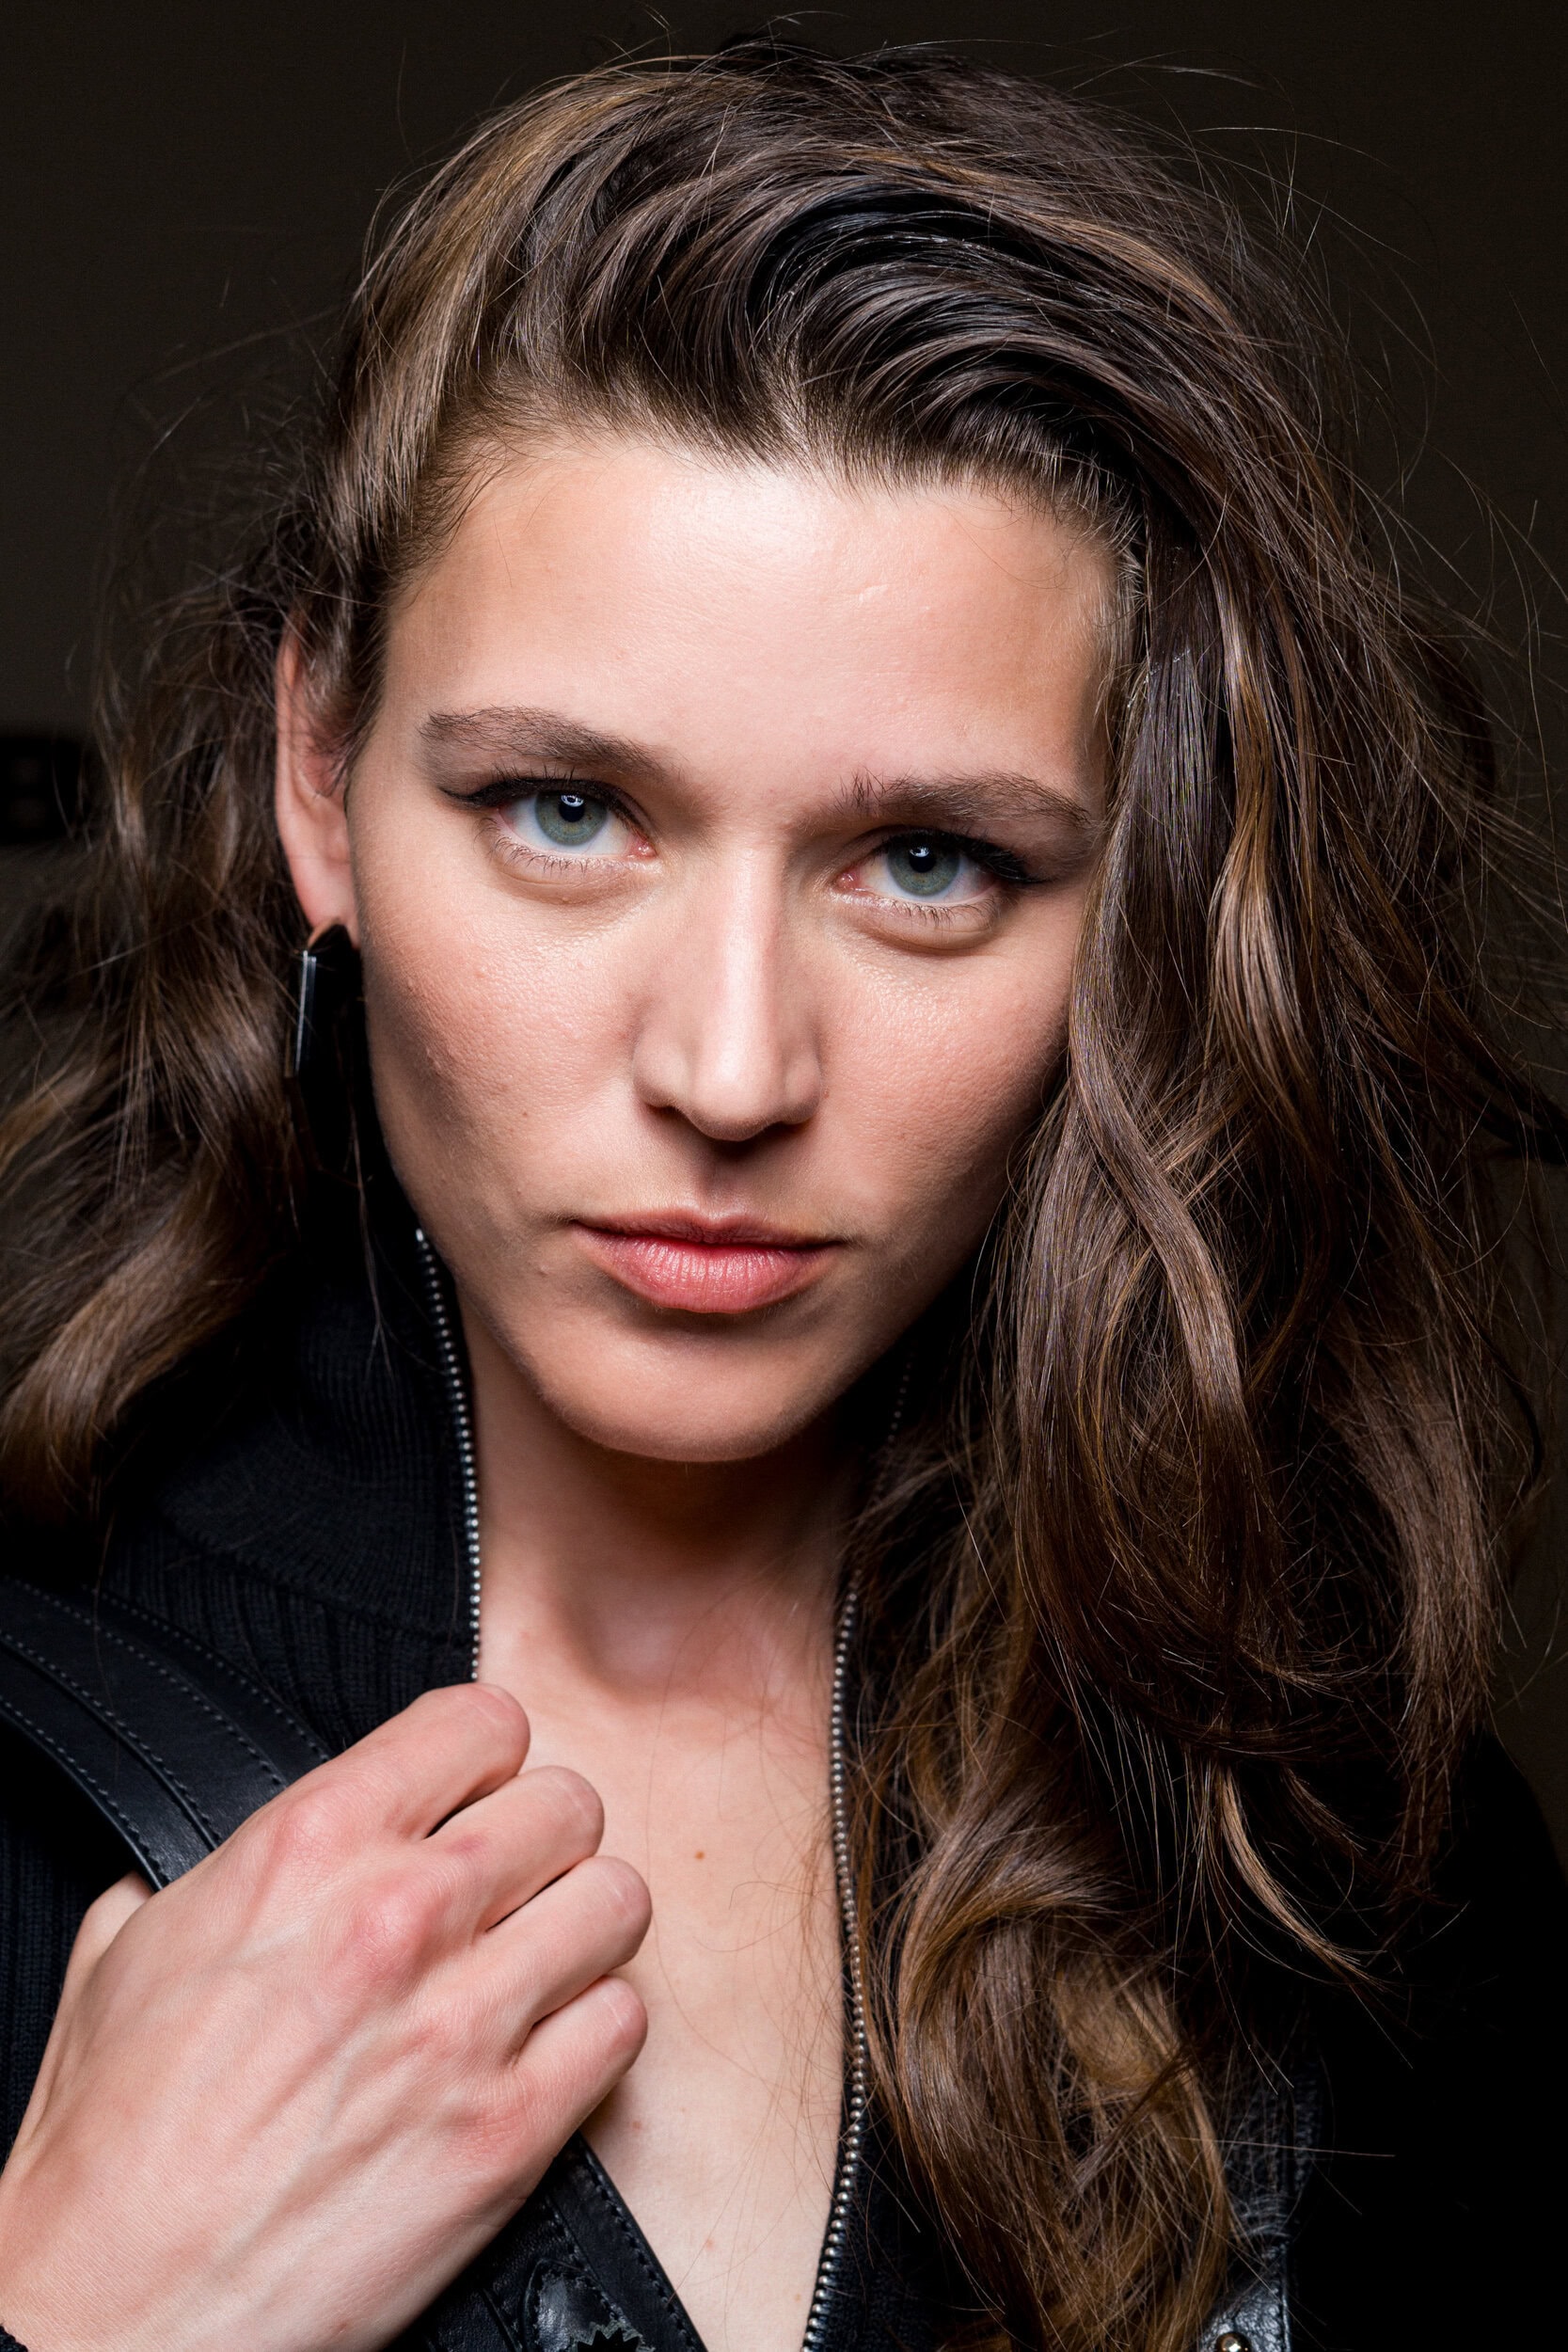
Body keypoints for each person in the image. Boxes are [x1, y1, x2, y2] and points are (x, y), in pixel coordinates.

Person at [0, 37, 1563, 2352]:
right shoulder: (26, 1732)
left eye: (926, 861)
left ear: (1126, 907)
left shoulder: (1345, 1859)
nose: (731, 1069)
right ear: (321, 780)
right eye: (566, 811)